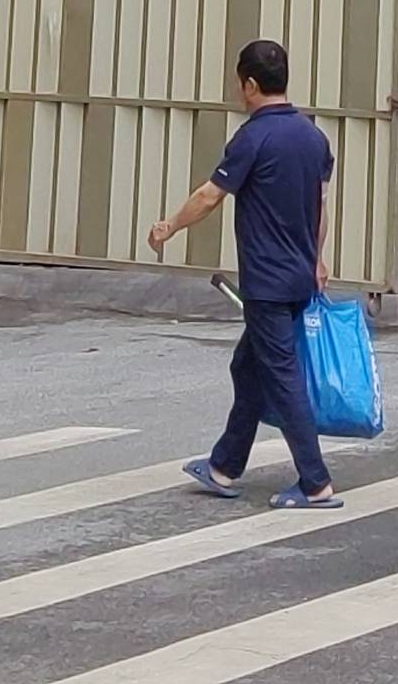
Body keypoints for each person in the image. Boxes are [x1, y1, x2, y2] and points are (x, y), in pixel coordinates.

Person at [145, 37, 342, 509]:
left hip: (267, 283)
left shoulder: (253, 138)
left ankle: (315, 483)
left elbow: (210, 195)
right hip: (298, 277)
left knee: (282, 378)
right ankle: (223, 466)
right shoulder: (313, 137)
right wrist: (317, 259)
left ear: (250, 84)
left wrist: (170, 226)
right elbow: (321, 206)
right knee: (248, 367)